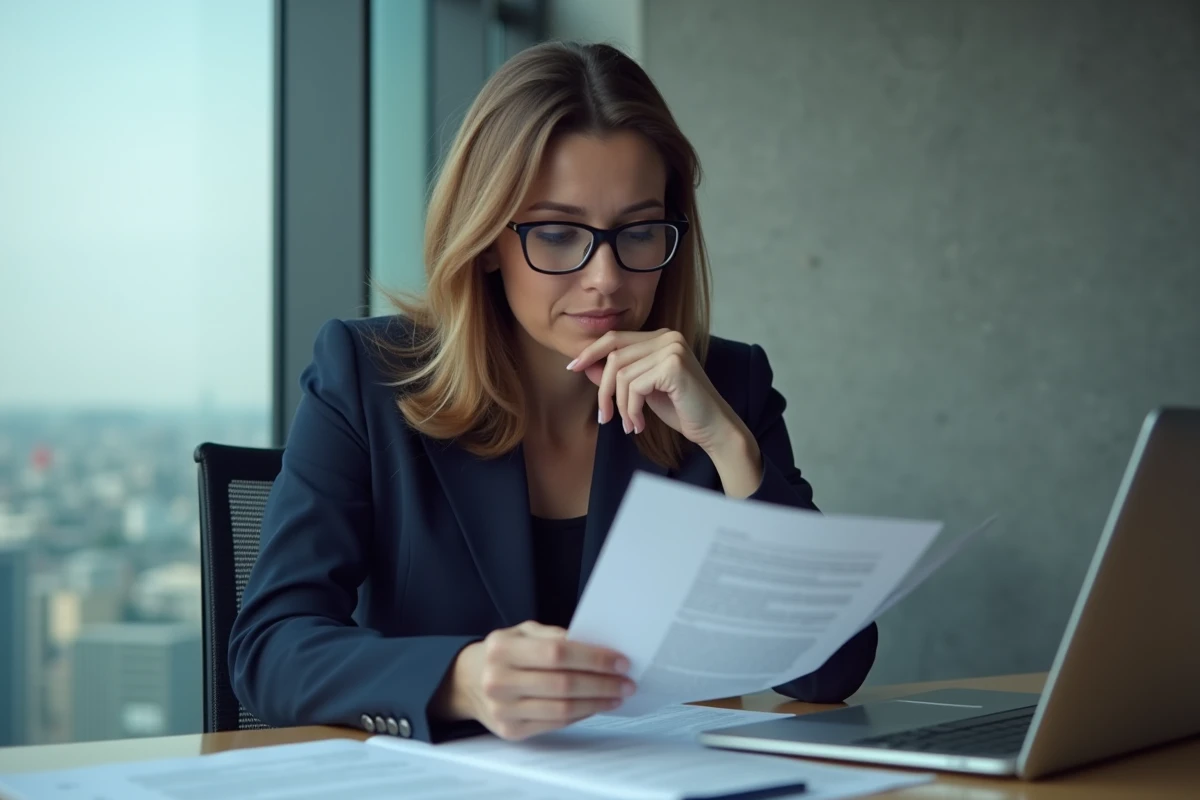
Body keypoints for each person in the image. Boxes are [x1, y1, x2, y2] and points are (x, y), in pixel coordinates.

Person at [229, 40, 877, 744]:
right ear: (486, 239)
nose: (606, 278)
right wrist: (461, 679)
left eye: (638, 232)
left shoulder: (726, 386)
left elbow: (831, 671)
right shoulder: (369, 377)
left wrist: (729, 446)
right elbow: (270, 647)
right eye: (560, 233)